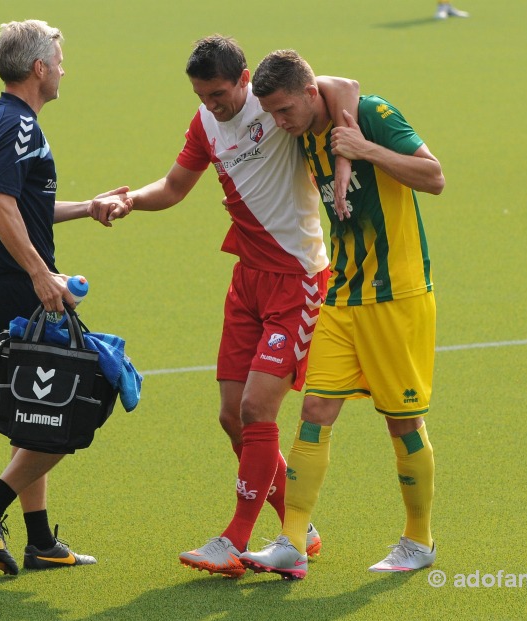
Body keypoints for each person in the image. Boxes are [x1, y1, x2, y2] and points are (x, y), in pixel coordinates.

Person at [91, 35, 359, 578]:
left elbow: (342, 86)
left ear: (243, 81)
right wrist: (129, 201)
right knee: (231, 417)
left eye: (218, 94)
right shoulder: (205, 122)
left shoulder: (275, 103)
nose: (211, 105)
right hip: (247, 283)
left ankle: (234, 541)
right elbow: (172, 186)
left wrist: (348, 138)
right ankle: (298, 532)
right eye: (200, 95)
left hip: (298, 279)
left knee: (259, 409)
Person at [238, 49, 444, 580]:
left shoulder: (372, 113)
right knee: (315, 412)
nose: (279, 123)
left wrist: (366, 149)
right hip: (343, 295)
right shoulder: (306, 127)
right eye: (273, 113)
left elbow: (433, 176)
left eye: (284, 110)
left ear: (309, 95)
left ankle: (418, 541)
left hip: (396, 296)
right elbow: (332, 80)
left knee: (402, 421)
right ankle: (292, 540)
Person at [0, 19, 130, 576]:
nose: (62, 68)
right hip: (15, 290)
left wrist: (86, 206)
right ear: (39, 68)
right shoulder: (20, 128)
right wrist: (41, 275)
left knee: (35, 411)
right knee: (81, 399)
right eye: (58, 58)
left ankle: (39, 543)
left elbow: (21, 206)